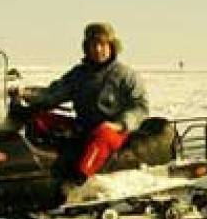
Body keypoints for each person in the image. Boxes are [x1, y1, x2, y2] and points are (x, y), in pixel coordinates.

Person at [12, 22, 149, 193]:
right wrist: (26, 94)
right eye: (93, 45)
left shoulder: (126, 75)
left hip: (114, 132)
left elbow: (141, 107)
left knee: (102, 133)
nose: (98, 49)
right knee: (39, 118)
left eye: (102, 44)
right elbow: (54, 93)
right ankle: (40, 167)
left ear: (112, 46)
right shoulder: (80, 74)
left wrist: (120, 124)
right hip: (83, 127)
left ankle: (77, 182)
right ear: (87, 48)